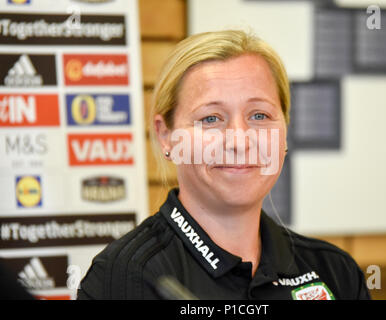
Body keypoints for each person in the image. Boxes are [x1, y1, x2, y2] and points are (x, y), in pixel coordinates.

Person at [77, 30, 370, 300]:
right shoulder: (124, 279)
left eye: (259, 116)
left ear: (285, 128)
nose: (239, 142)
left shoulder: (335, 272)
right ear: (166, 136)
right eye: (211, 118)